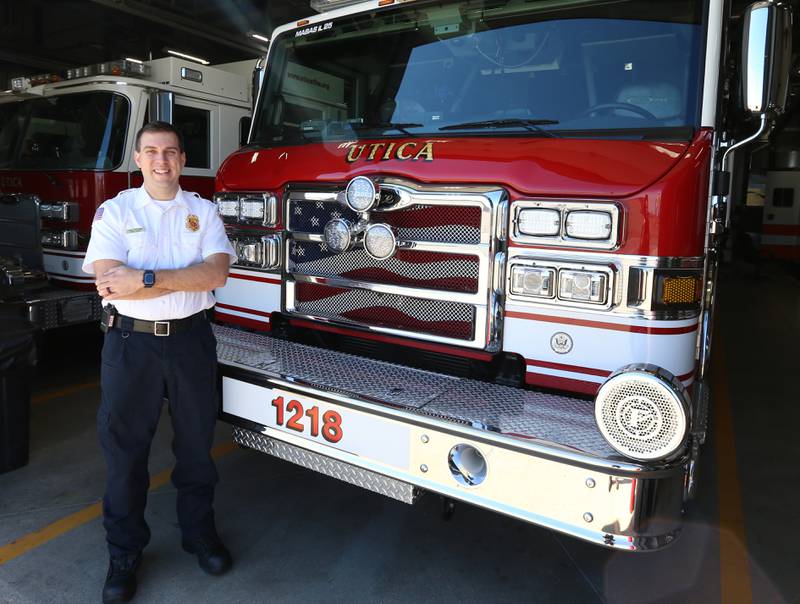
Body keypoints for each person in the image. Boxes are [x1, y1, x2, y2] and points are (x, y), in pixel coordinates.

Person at [82, 121, 237, 604]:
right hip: (131, 346)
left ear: (183, 158)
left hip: (192, 342)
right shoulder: (115, 210)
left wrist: (145, 277)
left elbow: (217, 273)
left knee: (195, 447)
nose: (162, 160)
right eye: (151, 151)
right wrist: (182, 278)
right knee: (126, 455)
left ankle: (199, 535)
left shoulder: (203, 211)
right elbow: (110, 282)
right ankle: (124, 552)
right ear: (138, 157)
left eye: (170, 151)